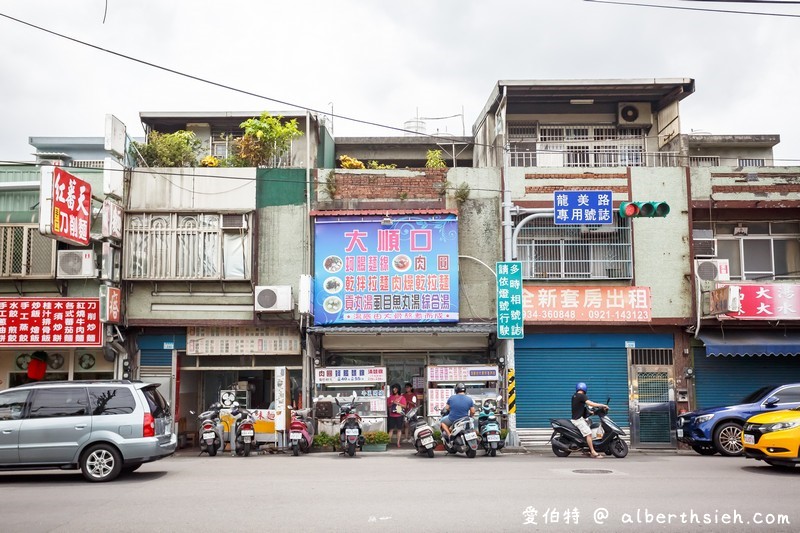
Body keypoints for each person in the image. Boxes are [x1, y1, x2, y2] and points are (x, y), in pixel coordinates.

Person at [572, 382, 609, 459]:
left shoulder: (575, 396)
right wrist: (602, 405)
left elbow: (580, 408)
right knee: (589, 434)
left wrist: (592, 412)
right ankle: (593, 452)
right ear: (585, 389)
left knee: (590, 423)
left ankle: (587, 448)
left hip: (579, 418)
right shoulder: (582, 396)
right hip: (578, 420)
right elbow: (591, 403)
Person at [386, 383, 407, 448]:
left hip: (399, 415)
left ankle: (398, 442)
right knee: (391, 429)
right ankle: (388, 442)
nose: (394, 389)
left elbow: (405, 406)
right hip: (392, 415)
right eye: (393, 388)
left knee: (399, 429)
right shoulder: (390, 397)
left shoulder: (402, 397)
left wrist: (398, 403)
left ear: (398, 389)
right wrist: (392, 403)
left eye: (395, 388)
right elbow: (388, 405)